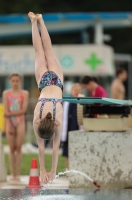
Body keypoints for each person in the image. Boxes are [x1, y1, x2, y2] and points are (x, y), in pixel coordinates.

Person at [28, 12, 63, 184]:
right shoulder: (37, 119)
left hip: (56, 81)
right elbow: (43, 148)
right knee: (40, 51)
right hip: (43, 80)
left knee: (47, 50)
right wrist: (47, 170)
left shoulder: (58, 119)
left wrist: (50, 171)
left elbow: (54, 148)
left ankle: (40, 20)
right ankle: (35, 22)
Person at [2, 73, 29, 181]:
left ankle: (17, 173)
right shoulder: (6, 93)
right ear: (10, 82)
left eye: (17, 81)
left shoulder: (24, 93)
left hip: (20, 121)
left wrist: (9, 114)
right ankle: (12, 174)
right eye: (13, 81)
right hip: (10, 122)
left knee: (18, 147)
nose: (15, 83)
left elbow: (24, 110)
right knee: (11, 148)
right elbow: (6, 110)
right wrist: (9, 121)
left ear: (20, 82)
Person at [62, 83, 82, 169]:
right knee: (67, 153)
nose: (77, 92)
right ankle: (68, 169)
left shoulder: (82, 102)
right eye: (75, 90)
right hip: (68, 130)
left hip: (77, 129)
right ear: (71, 91)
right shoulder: (66, 102)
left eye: (78, 90)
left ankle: (77, 169)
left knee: (78, 151)